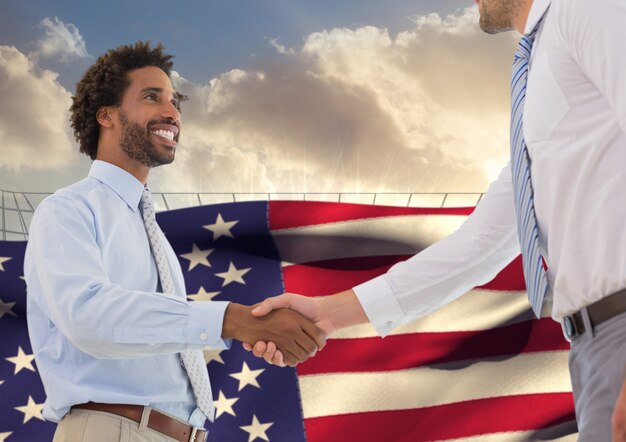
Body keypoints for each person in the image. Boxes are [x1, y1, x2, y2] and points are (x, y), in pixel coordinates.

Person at [245, 0, 626, 439]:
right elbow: (479, 246)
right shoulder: (537, 70)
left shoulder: (588, 9)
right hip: (590, 351)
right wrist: (328, 313)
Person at [24, 41, 325, 442]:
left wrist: (260, 329)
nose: (172, 113)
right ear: (106, 115)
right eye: (152, 97)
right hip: (110, 430)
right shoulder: (67, 209)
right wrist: (233, 320)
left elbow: (157, 333)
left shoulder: (152, 232)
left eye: (175, 102)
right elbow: (89, 316)